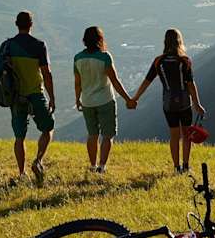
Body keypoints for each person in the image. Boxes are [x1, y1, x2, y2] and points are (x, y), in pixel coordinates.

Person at [0, 10, 55, 184]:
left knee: (19, 137)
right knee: (48, 127)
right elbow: (46, 74)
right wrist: (52, 97)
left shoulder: (8, 46)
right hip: (35, 93)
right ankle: (38, 160)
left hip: (16, 96)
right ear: (31, 24)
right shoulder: (39, 45)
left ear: (16, 24)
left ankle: (22, 173)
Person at [130, 28, 206, 173]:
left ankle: (176, 167)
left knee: (174, 135)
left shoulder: (158, 61)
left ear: (165, 42)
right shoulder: (185, 61)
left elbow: (147, 81)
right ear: (180, 41)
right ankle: (186, 166)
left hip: (168, 104)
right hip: (184, 103)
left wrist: (135, 98)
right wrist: (197, 104)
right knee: (186, 135)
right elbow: (190, 84)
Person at [73, 26, 134, 174]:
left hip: (87, 101)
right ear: (100, 40)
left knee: (92, 134)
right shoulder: (105, 57)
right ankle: (102, 166)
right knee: (107, 135)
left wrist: (77, 99)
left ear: (84, 41)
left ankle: (92, 165)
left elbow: (77, 82)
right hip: (105, 100)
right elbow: (115, 81)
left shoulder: (78, 58)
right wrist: (128, 99)